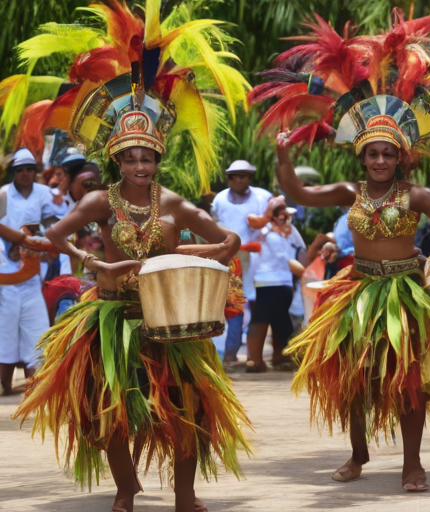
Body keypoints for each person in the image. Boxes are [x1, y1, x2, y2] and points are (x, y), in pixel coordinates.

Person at [247, 10, 430, 492]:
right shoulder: (349, 191)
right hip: (358, 290)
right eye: (373, 152)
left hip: (408, 293)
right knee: (354, 380)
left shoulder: (418, 196)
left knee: (411, 385)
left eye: (389, 153)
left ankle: (413, 463)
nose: (381, 159)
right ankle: (357, 454)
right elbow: (301, 195)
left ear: (401, 156)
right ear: (362, 155)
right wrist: (284, 158)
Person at [6, 3, 252, 512]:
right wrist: (99, 266)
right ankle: (125, 489)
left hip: (172, 319)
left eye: (148, 157)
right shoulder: (99, 201)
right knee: (108, 412)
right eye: (130, 157)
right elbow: (54, 236)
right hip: (112, 318)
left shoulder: (176, 204)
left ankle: (185, 496)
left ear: (159, 158)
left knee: (189, 409)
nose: (140, 164)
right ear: (116, 159)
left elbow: (228, 242)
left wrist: (179, 255)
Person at [0, 148, 66, 395]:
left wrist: (43, 237)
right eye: (20, 170)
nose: (25, 173)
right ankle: (5, 386)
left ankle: (36, 386)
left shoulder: (46, 193)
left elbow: (57, 221)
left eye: (29, 169)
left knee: (37, 328)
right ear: (14, 172)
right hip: (6, 270)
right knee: (4, 330)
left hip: (37, 270)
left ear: (35, 171)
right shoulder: (3, 194)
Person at [211, 160, 272, 363]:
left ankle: (255, 354)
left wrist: (264, 221)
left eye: (243, 175)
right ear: (228, 178)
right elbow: (213, 227)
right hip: (228, 260)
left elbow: (276, 215)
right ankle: (229, 353)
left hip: (257, 259)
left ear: (250, 178)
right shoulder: (220, 199)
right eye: (234, 176)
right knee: (231, 304)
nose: (238, 180)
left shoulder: (262, 197)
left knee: (257, 303)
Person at [246, 203, 303, 372]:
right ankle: (255, 360)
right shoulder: (268, 235)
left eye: (287, 216)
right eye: (282, 216)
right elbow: (286, 259)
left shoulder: (285, 235)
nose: (285, 219)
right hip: (269, 282)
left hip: (283, 282)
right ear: (273, 217)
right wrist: (304, 272)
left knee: (281, 320)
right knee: (261, 319)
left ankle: (279, 356)